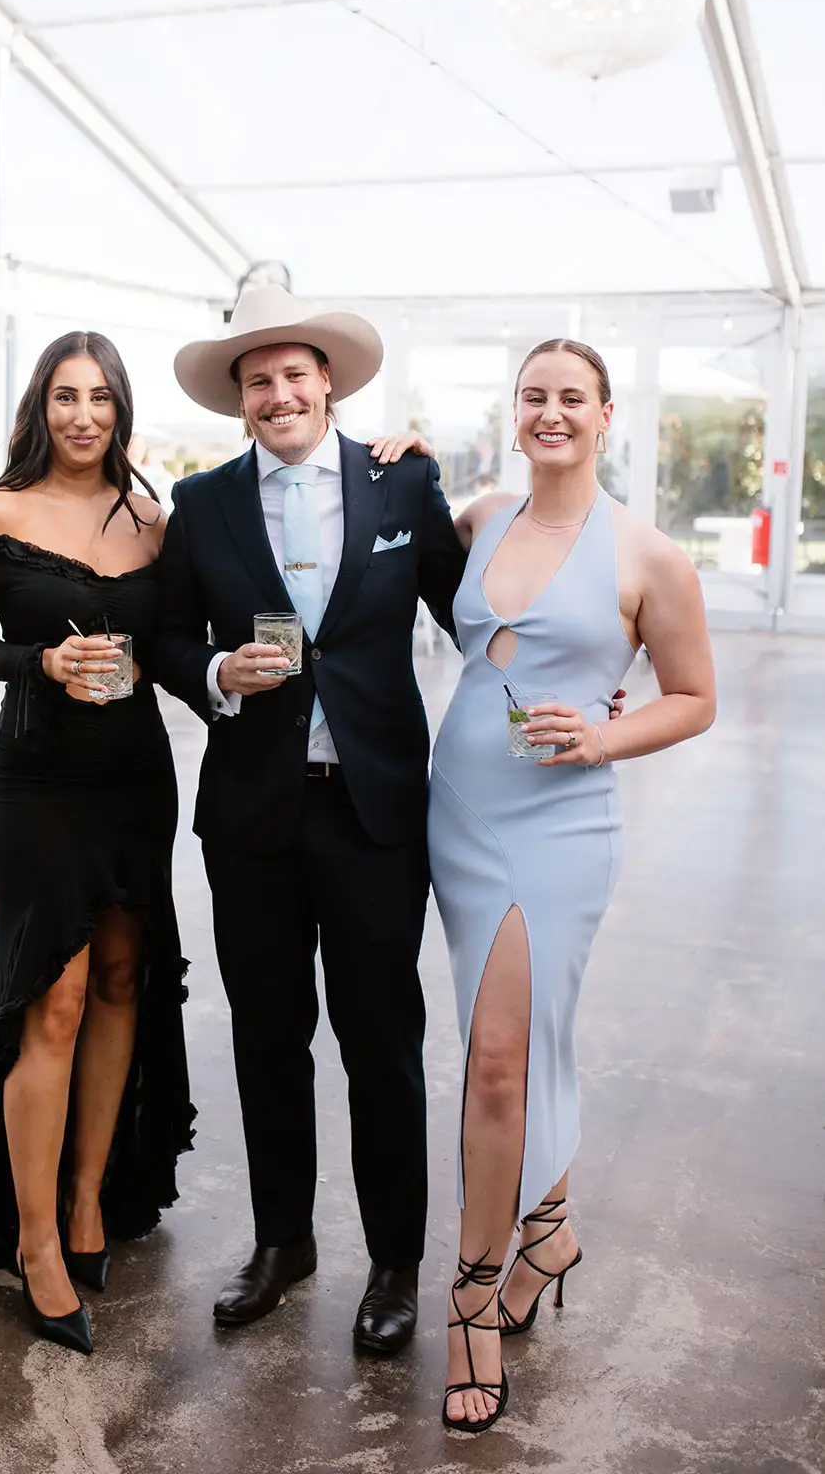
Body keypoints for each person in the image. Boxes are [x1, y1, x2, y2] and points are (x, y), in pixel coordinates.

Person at [155, 283, 467, 1355]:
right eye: (258, 380)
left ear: (327, 382)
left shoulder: (401, 480)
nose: (278, 393)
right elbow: (166, 638)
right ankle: (282, 1242)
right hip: (253, 819)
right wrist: (214, 671)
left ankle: (395, 1262)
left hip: (373, 813)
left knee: (381, 1044)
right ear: (238, 398)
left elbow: (470, 608)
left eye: (294, 373)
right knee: (267, 1038)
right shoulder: (201, 504)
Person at [428, 338, 716, 1432]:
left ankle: (471, 1299)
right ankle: (547, 1234)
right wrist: (399, 452)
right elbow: (432, 557)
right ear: (515, 414)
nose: (550, 413)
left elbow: (692, 697)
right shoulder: (481, 519)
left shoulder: (649, 556)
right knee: (510, 1041)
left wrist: (601, 738)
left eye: (571, 399)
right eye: (532, 396)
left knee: (499, 1060)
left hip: (559, 824)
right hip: (459, 812)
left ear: (604, 417)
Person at [0, 331, 195, 1355]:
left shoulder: (154, 521)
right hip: (37, 782)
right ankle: (36, 1239)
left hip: (135, 778)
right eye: (64, 396)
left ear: (121, 409)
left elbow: (175, 643)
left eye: (99, 397)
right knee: (53, 996)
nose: (82, 415)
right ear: (39, 408)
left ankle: (90, 1198)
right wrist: (40, 661)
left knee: (123, 980)